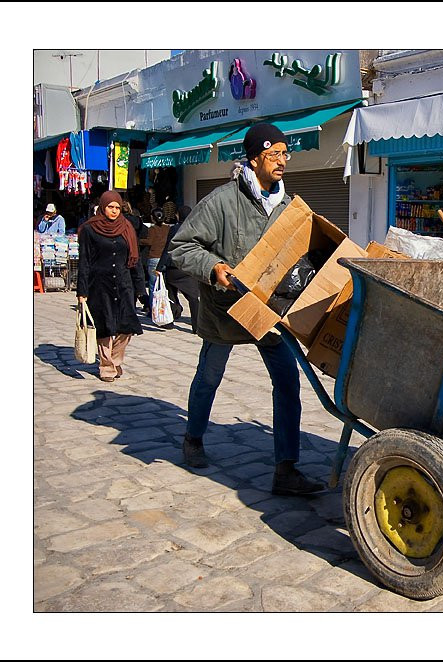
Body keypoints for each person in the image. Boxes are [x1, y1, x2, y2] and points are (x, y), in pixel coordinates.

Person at [170, 123, 324, 496]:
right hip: (225, 310)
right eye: (274, 154)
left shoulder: (289, 208)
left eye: (285, 154)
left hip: (268, 313)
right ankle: (193, 438)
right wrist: (214, 268)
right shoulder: (222, 201)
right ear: (255, 159)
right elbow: (181, 246)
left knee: (287, 382)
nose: (282, 161)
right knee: (209, 376)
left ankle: (285, 469)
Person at [76, 191, 144, 382]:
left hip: (123, 284)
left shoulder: (127, 227)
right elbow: (84, 261)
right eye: (110, 207)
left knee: (127, 326)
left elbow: (135, 258)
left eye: (117, 207)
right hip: (99, 284)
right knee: (105, 326)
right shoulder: (90, 229)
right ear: (103, 207)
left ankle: (114, 360)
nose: (114, 211)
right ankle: (106, 366)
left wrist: (140, 287)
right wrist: (82, 291)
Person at [156, 205, 199, 333]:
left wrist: (159, 266)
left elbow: (168, 248)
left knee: (171, 295)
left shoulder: (174, 229)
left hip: (173, 267)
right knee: (193, 298)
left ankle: (171, 319)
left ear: (178, 215)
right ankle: (197, 327)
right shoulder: (196, 228)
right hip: (189, 268)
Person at [140, 207, 170, 318]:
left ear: (153, 218)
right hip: (165, 258)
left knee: (153, 286)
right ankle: (163, 308)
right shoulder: (168, 228)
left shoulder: (152, 229)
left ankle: (153, 310)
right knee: (163, 285)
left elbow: (149, 241)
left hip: (154, 257)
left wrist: (138, 240)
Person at [122, 199, 150, 311]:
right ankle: (143, 302)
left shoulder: (119, 221)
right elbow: (144, 233)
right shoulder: (137, 220)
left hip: (123, 253)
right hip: (135, 251)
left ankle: (131, 305)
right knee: (137, 279)